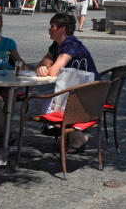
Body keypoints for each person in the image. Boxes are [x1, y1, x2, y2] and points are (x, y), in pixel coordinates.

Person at [36, 13, 98, 152]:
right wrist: (42, 67)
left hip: (90, 93)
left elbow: (53, 71)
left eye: (52, 27)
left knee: (42, 102)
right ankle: (60, 130)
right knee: (41, 101)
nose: (49, 30)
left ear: (62, 29)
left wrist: (47, 68)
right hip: (76, 89)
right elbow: (42, 63)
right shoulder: (56, 44)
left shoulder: (71, 44)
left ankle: (77, 137)